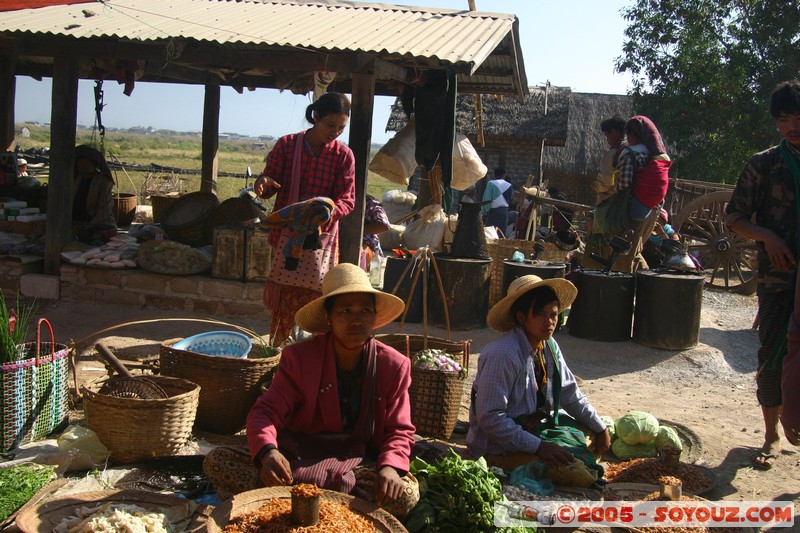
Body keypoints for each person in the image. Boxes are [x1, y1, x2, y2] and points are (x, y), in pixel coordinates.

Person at [203, 263, 419, 516]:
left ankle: (292, 506)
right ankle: (328, 508)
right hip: (297, 457)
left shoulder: (392, 365)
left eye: (364, 311)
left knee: (404, 494)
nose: (356, 320)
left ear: (374, 317)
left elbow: (400, 429)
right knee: (218, 462)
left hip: (358, 462)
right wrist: (268, 453)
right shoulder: (299, 358)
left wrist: (390, 468)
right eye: (345, 311)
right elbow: (265, 412)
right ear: (328, 317)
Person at [467, 274, 611, 487]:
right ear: (522, 317)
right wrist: (539, 447)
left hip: (533, 426)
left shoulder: (549, 346)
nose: (549, 322)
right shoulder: (503, 354)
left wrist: (600, 427)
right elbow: (491, 418)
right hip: (498, 443)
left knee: (587, 434)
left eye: (553, 315)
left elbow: (569, 392)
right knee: (573, 468)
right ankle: (499, 462)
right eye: (541, 315)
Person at [725, 80, 800, 470]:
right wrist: (767, 235)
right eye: (784, 119)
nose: (792, 125)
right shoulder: (763, 163)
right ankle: (771, 433)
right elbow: (733, 217)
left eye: (798, 117)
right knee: (772, 350)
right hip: (776, 277)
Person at [254, 92, 356, 346]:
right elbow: (269, 179)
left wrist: (328, 210)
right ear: (316, 117)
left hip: (321, 243)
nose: (335, 132)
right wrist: (264, 184)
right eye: (330, 125)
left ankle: (312, 356)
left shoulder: (344, 156)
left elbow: (348, 199)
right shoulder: (287, 145)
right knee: (284, 304)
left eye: (341, 127)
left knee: (318, 306)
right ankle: (279, 353)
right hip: (286, 240)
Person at [584, 116, 671, 273]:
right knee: (634, 249)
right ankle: (641, 281)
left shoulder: (626, 153)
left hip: (627, 213)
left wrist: (608, 189)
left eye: (607, 134)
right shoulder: (653, 155)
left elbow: (622, 183)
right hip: (650, 210)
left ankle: (621, 287)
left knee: (620, 252)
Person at [72, 145, 117, 243]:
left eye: (86, 167)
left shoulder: (103, 182)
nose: (83, 170)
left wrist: (87, 227)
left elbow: (104, 210)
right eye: (80, 167)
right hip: (75, 222)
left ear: (94, 165)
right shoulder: (74, 179)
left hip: (98, 223)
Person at [594, 115, 627, 205]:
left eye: (607, 134)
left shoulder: (612, 154)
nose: (606, 138)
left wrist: (597, 186)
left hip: (610, 202)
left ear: (614, 132)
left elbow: (607, 182)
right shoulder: (628, 151)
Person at [361, 193, 391, 276]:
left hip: (367, 251)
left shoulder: (368, 201)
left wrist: (355, 230)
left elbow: (384, 225)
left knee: (359, 250)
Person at [481, 167, 513, 232]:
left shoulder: (491, 183)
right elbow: (510, 199)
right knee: (501, 234)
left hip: (493, 212)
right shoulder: (509, 185)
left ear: (494, 174)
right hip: (504, 212)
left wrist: (484, 212)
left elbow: (487, 199)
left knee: (491, 233)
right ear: (504, 175)